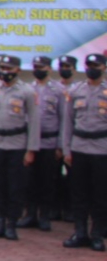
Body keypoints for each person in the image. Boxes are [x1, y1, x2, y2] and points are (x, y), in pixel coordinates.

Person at [0, 54, 39, 241]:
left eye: (9, 69)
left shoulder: (27, 91)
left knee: (15, 186)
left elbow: (34, 121)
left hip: (17, 143)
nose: (5, 72)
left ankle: (12, 223)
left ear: (18, 70)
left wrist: (31, 149)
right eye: (3, 68)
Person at [61, 52, 107, 250]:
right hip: (79, 147)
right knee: (79, 193)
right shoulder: (76, 90)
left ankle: (96, 235)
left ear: (104, 68)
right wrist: (66, 150)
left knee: (100, 195)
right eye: (89, 65)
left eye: (96, 66)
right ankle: (80, 232)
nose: (92, 69)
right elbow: (68, 123)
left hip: (102, 149)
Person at [21, 56, 63, 231]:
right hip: (31, 142)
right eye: (35, 66)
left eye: (41, 67)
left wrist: (60, 145)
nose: (38, 69)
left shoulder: (58, 90)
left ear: (49, 69)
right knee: (29, 181)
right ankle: (30, 214)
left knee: (47, 181)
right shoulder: (28, 89)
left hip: (49, 142)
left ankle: (44, 216)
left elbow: (63, 119)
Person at [54, 54, 79, 221]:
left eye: (67, 67)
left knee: (73, 178)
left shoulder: (78, 89)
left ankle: (70, 210)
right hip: (53, 139)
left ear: (74, 69)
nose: (64, 70)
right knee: (53, 177)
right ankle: (54, 209)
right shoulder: (53, 88)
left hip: (73, 140)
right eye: (62, 66)